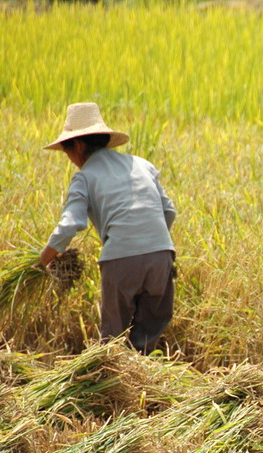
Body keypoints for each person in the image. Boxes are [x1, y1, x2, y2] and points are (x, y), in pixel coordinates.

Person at [39, 102, 177, 355]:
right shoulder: (142, 164)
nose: (71, 160)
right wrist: (151, 242)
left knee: (113, 342)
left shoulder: (85, 176)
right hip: (161, 256)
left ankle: (111, 389)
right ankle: (145, 387)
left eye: (67, 152)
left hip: (121, 261)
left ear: (78, 145)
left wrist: (42, 261)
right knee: (147, 339)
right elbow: (169, 211)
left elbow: (71, 224)